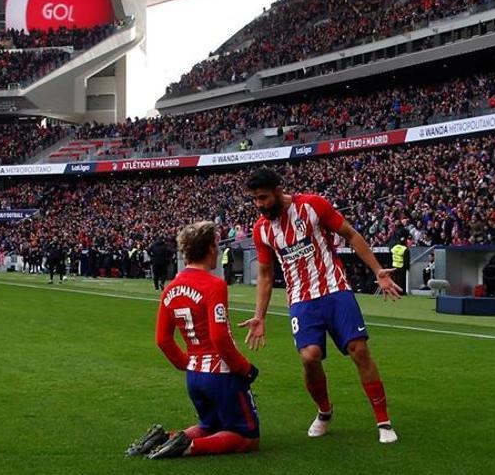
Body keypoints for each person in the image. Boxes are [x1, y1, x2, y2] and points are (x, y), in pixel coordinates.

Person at [239, 168, 401, 444]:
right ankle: (324, 412)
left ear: (278, 190)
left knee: (359, 349)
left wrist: (377, 271)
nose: (259, 205)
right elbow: (265, 275)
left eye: (263, 198)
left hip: (335, 290)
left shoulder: (313, 205)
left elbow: (349, 234)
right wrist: (259, 316)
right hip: (301, 300)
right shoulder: (262, 229)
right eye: (254, 199)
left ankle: (383, 420)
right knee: (309, 357)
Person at [130, 221, 260, 459]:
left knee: (209, 425)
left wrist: (187, 364)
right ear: (211, 248)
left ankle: (166, 439)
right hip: (221, 374)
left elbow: (163, 340)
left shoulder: (170, 289)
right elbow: (220, 337)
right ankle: (189, 447)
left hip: (194, 376)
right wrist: (245, 368)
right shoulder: (214, 285)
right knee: (248, 437)